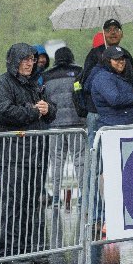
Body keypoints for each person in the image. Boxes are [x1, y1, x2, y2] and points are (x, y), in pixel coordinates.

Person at [0, 43, 56, 264]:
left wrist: (48, 109)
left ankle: (30, 251)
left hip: (34, 155)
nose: (29, 63)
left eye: (31, 59)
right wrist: (34, 111)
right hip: (11, 156)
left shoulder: (34, 84)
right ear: (14, 61)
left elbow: (49, 110)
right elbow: (3, 111)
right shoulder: (2, 84)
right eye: (24, 59)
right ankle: (10, 254)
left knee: (31, 206)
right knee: (13, 206)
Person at [79, 19, 133, 148]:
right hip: (97, 112)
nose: (112, 33)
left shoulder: (126, 54)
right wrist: (104, 66)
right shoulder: (94, 54)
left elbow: (131, 82)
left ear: (122, 34)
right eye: (108, 30)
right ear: (103, 34)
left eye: (116, 30)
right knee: (96, 152)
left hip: (120, 113)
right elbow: (86, 83)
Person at [42, 46, 84, 207]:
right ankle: (82, 196)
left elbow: (44, 98)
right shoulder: (79, 72)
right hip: (77, 124)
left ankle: (56, 198)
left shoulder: (47, 76)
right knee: (80, 161)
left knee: (57, 162)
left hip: (55, 126)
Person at [88, 46, 133, 128]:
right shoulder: (103, 77)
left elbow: (126, 100)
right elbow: (115, 100)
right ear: (108, 61)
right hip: (116, 128)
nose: (121, 62)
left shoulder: (117, 76)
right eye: (116, 59)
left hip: (127, 126)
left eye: (123, 59)